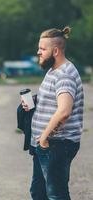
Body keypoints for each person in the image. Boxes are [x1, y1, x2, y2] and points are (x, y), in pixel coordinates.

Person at [21, 26, 84, 199]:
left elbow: (64, 111)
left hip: (56, 144)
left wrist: (44, 138)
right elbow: (56, 101)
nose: (38, 52)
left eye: (42, 49)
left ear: (55, 51)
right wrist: (34, 102)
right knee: (38, 192)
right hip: (48, 144)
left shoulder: (64, 74)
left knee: (56, 195)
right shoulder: (53, 70)